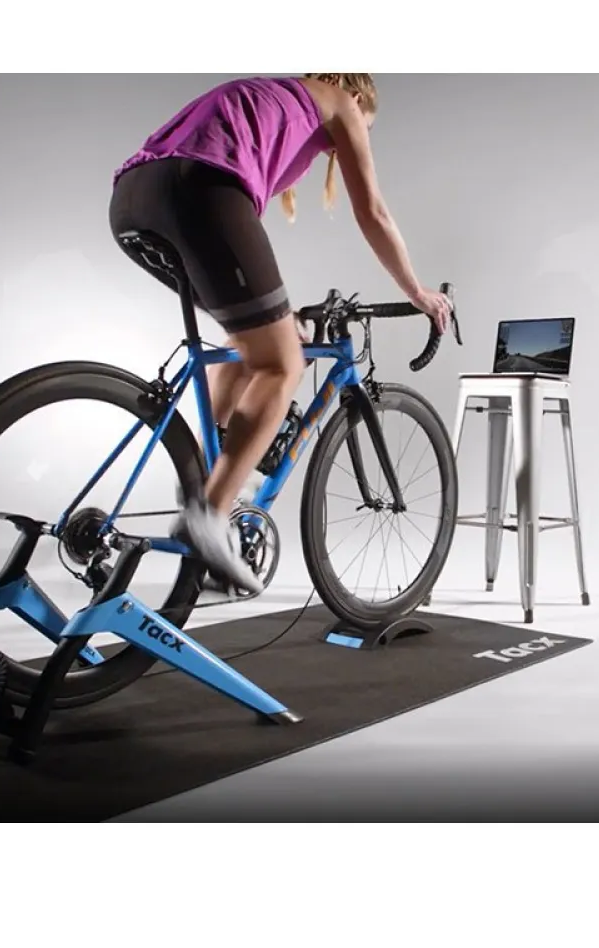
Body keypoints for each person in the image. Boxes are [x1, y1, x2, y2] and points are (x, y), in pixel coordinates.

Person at [109, 73, 452, 596]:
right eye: (367, 127)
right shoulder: (340, 102)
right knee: (283, 362)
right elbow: (373, 212)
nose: (351, 139)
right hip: (199, 191)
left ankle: (204, 473)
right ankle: (209, 514)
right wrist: (418, 292)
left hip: (134, 197)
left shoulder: (276, 95)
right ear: (358, 99)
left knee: (255, 341)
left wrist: (281, 319)